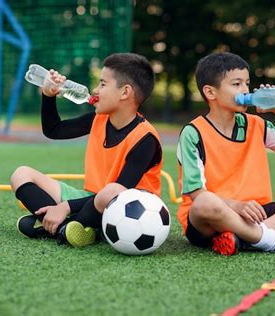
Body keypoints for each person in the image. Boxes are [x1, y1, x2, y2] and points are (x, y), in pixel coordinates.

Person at [176, 52, 275, 256]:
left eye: (247, 83)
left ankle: (243, 240)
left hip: (257, 212)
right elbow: (196, 192)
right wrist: (236, 206)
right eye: (236, 84)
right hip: (212, 218)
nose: (245, 90)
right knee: (204, 203)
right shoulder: (193, 132)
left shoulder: (255, 125)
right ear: (210, 92)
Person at [10, 53, 162, 247]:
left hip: (129, 212)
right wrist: (48, 97)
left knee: (110, 192)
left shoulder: (145, 138)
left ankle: (65, 226)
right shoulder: (98, 120)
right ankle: (69, 228)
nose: (95, 90)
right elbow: (53, 130)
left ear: (125, 92)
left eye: (103, 84)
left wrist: (66, 206)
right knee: (21, 174)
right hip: (89, 202)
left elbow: (120, 193)